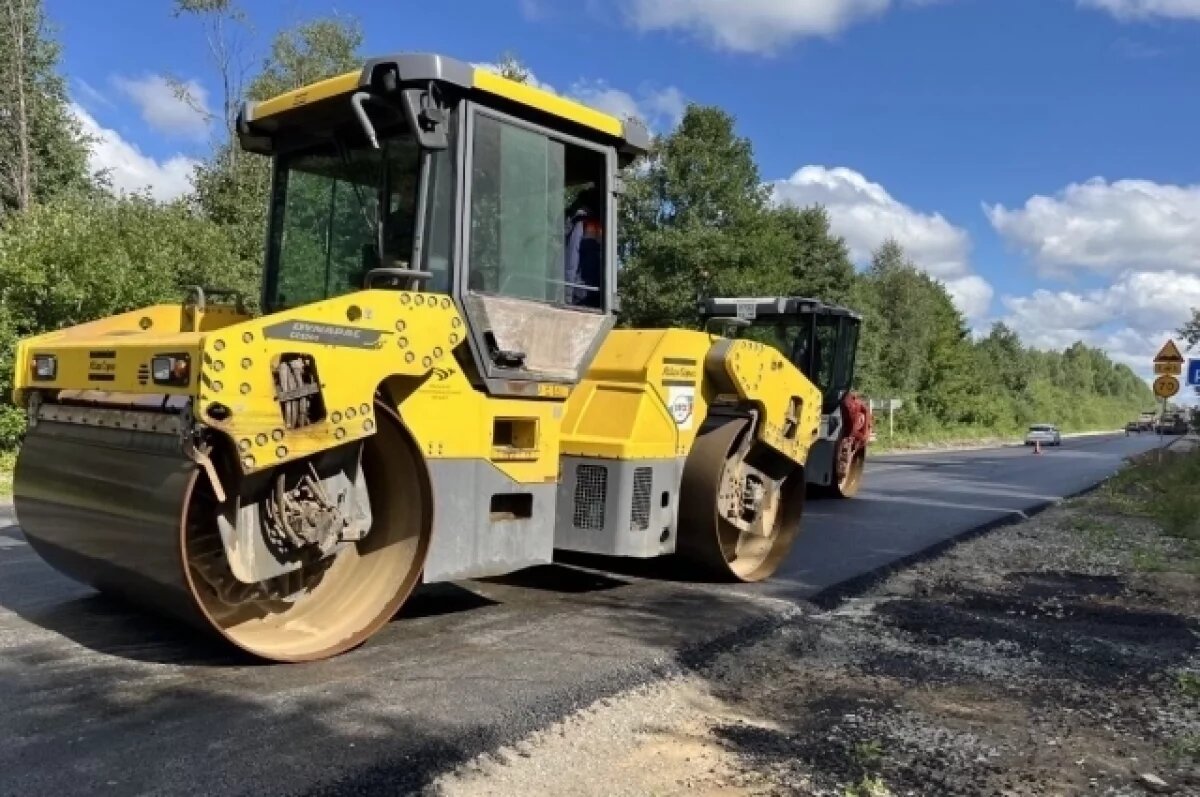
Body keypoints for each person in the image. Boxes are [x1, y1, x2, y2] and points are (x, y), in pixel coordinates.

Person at [563, 185, 603, 308]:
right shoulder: (583, 224)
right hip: (584, 291)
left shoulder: (596, 224)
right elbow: (572, 260)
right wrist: (568, 294)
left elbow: (572, 260)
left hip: (592, 290)